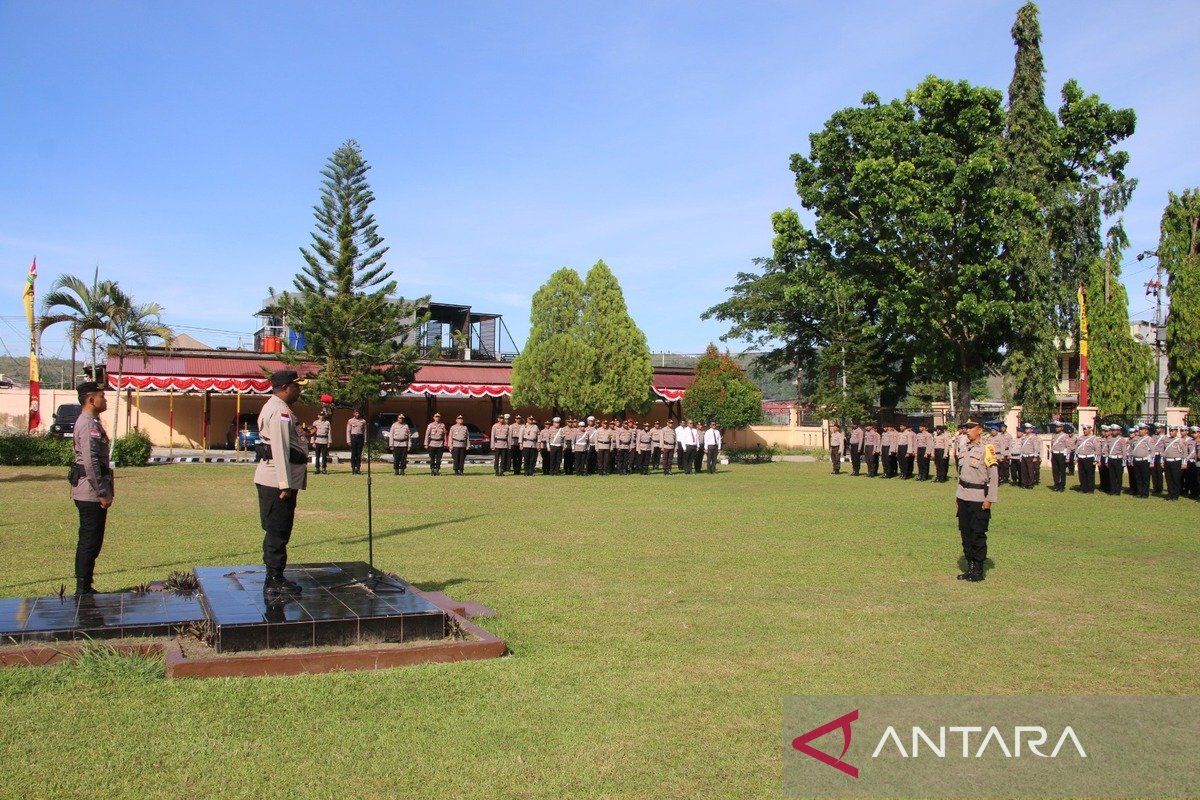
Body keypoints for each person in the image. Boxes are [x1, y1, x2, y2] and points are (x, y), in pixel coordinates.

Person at [253, 370, 308, 594]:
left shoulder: (281, 409)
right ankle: (274, 579)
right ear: (286, 387)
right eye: (297, 386)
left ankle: (275, 576)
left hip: (277, 479)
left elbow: (289, 442)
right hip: (277, 481)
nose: (300, 390)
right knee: (277, 530)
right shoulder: (279, 412)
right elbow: (280, 449)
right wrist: (284, 484)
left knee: (279, 529)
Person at [68, 382, 114, 596]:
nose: (105, 400)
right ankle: (82, 589)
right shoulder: (87, 424)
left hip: (91, 491)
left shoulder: (92, 422)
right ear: (91, 400)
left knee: (93, 539)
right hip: (90, 492)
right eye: (102, 396)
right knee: (89, 539)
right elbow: (91, 463)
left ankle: (86, 586)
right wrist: (102, 493)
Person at [954, 420, 998, 583]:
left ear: (979, 430)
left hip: (979, 498)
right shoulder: (965, 447)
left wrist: (990, 499)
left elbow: (994, 477)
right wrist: (957, 496)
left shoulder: (988, 449)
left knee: (977, 534)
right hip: (963, 496)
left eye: (970, 428)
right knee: (965, 533)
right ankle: (970, 567)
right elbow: (960, 475)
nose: (967, 431)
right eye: (966, 428)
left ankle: (979, 569)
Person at [1162, 424, 1186, 501]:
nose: (1171, 432)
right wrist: (1162, 461)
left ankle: (1175, 495)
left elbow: (1184, 452)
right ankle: (1170, 494)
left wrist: (1184, 463)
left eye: (1172, 431)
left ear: (1176, 431)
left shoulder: (1180, 440)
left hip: (1176, 461)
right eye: (1170, 430)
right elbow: (1164, 451)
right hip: (1167, 461)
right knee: (1168, 479)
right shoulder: (1166, 440)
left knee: (1176, 479)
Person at [1130, 422, 1153, 498]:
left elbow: (1152, 451)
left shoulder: (1149, 439)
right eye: (1139, 429)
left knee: (1145, 478)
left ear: (1146, 430)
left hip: (1145, 460)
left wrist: (1151, 462)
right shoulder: (1136, 439)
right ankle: (1139, 492)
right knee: (1138, 477)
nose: (1140, 431)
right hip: (1136, 460)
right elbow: (1132, 449)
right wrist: (1132, 460)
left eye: (1142, 429)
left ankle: (1145, 493)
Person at [1049, 421, 1072, 492]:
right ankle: (1056, 484)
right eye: (1055, 427)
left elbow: (1068, 447)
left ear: (1062, 428)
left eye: (1058, 427)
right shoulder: (1053, 435)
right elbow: (1052, 445)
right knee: (1055, 471)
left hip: (1061, 454)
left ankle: (1062, 485)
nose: (1056, 428)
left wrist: (1067, 457)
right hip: (1054, 454)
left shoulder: (1065, 435)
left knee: (1062, 471)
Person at [1074, 424, 1098, 493]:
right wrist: (1075, 458)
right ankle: (1083, 488)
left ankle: (1090, 489)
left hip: (1089, 458)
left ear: (1090, 429)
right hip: (1081, 458)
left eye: (1085, 429)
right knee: (1082, 474)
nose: (1084, 430)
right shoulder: (1080, 438)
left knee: (1090, 474)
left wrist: (1095, 460)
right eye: (1083, 429)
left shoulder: (1093, 438)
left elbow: (1097, 450)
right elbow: (1077, 448)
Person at [1107, 425, 1128, 495]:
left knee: (1118, 476)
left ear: (1118, 431)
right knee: (1111, 475)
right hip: (1110, 458)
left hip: (1118, 459)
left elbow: (1124, 451)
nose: (1113, 431)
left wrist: (1124, 461)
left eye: (1115, 430)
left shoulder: (1121, 439)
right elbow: (1107, 450)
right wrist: (1107, 460)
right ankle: (1112, 490)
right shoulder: (1109, 438)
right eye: (1112, 430)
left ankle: (1118, 490)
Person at [1019, 423, 1040, 489]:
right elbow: (1022, 447)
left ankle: (1030, 484)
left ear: (1031, 429)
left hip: (1030, 456)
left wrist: (1035, 457)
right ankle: (1024, 483)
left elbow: (1036, 448)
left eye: (1028, 428)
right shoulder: (1024, 437)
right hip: (1024, 456)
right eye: (1026, 428)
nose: (1026, 430)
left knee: (1030, 471)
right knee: (1024, 471)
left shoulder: (1033, 437)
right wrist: (1021, 456)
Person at [346, 409, 367, 475]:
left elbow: (365, 431)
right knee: (353, 454)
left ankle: (358, 468)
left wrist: (365, 440)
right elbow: (348, 431)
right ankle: (353, 468)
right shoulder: (350, 421)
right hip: (353, 438)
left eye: (358, 413)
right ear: (354, 414)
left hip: (360, 438)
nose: (357, 414)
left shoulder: (363, 421)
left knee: (359, 454)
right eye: (356, 413)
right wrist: (348, 440)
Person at [1150, 423, 1167, 495]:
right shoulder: (1153, 436)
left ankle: (1160, 488)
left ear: (1162, 429)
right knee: (1153, 472)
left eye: (1158, 428)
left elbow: (1165, 448)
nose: (1156, 429)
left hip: (1160, 455)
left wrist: (1163, 459)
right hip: (1154, 455)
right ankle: (1155, 487)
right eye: (1156, 428)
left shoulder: (1165, 437)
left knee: (1159, 472)